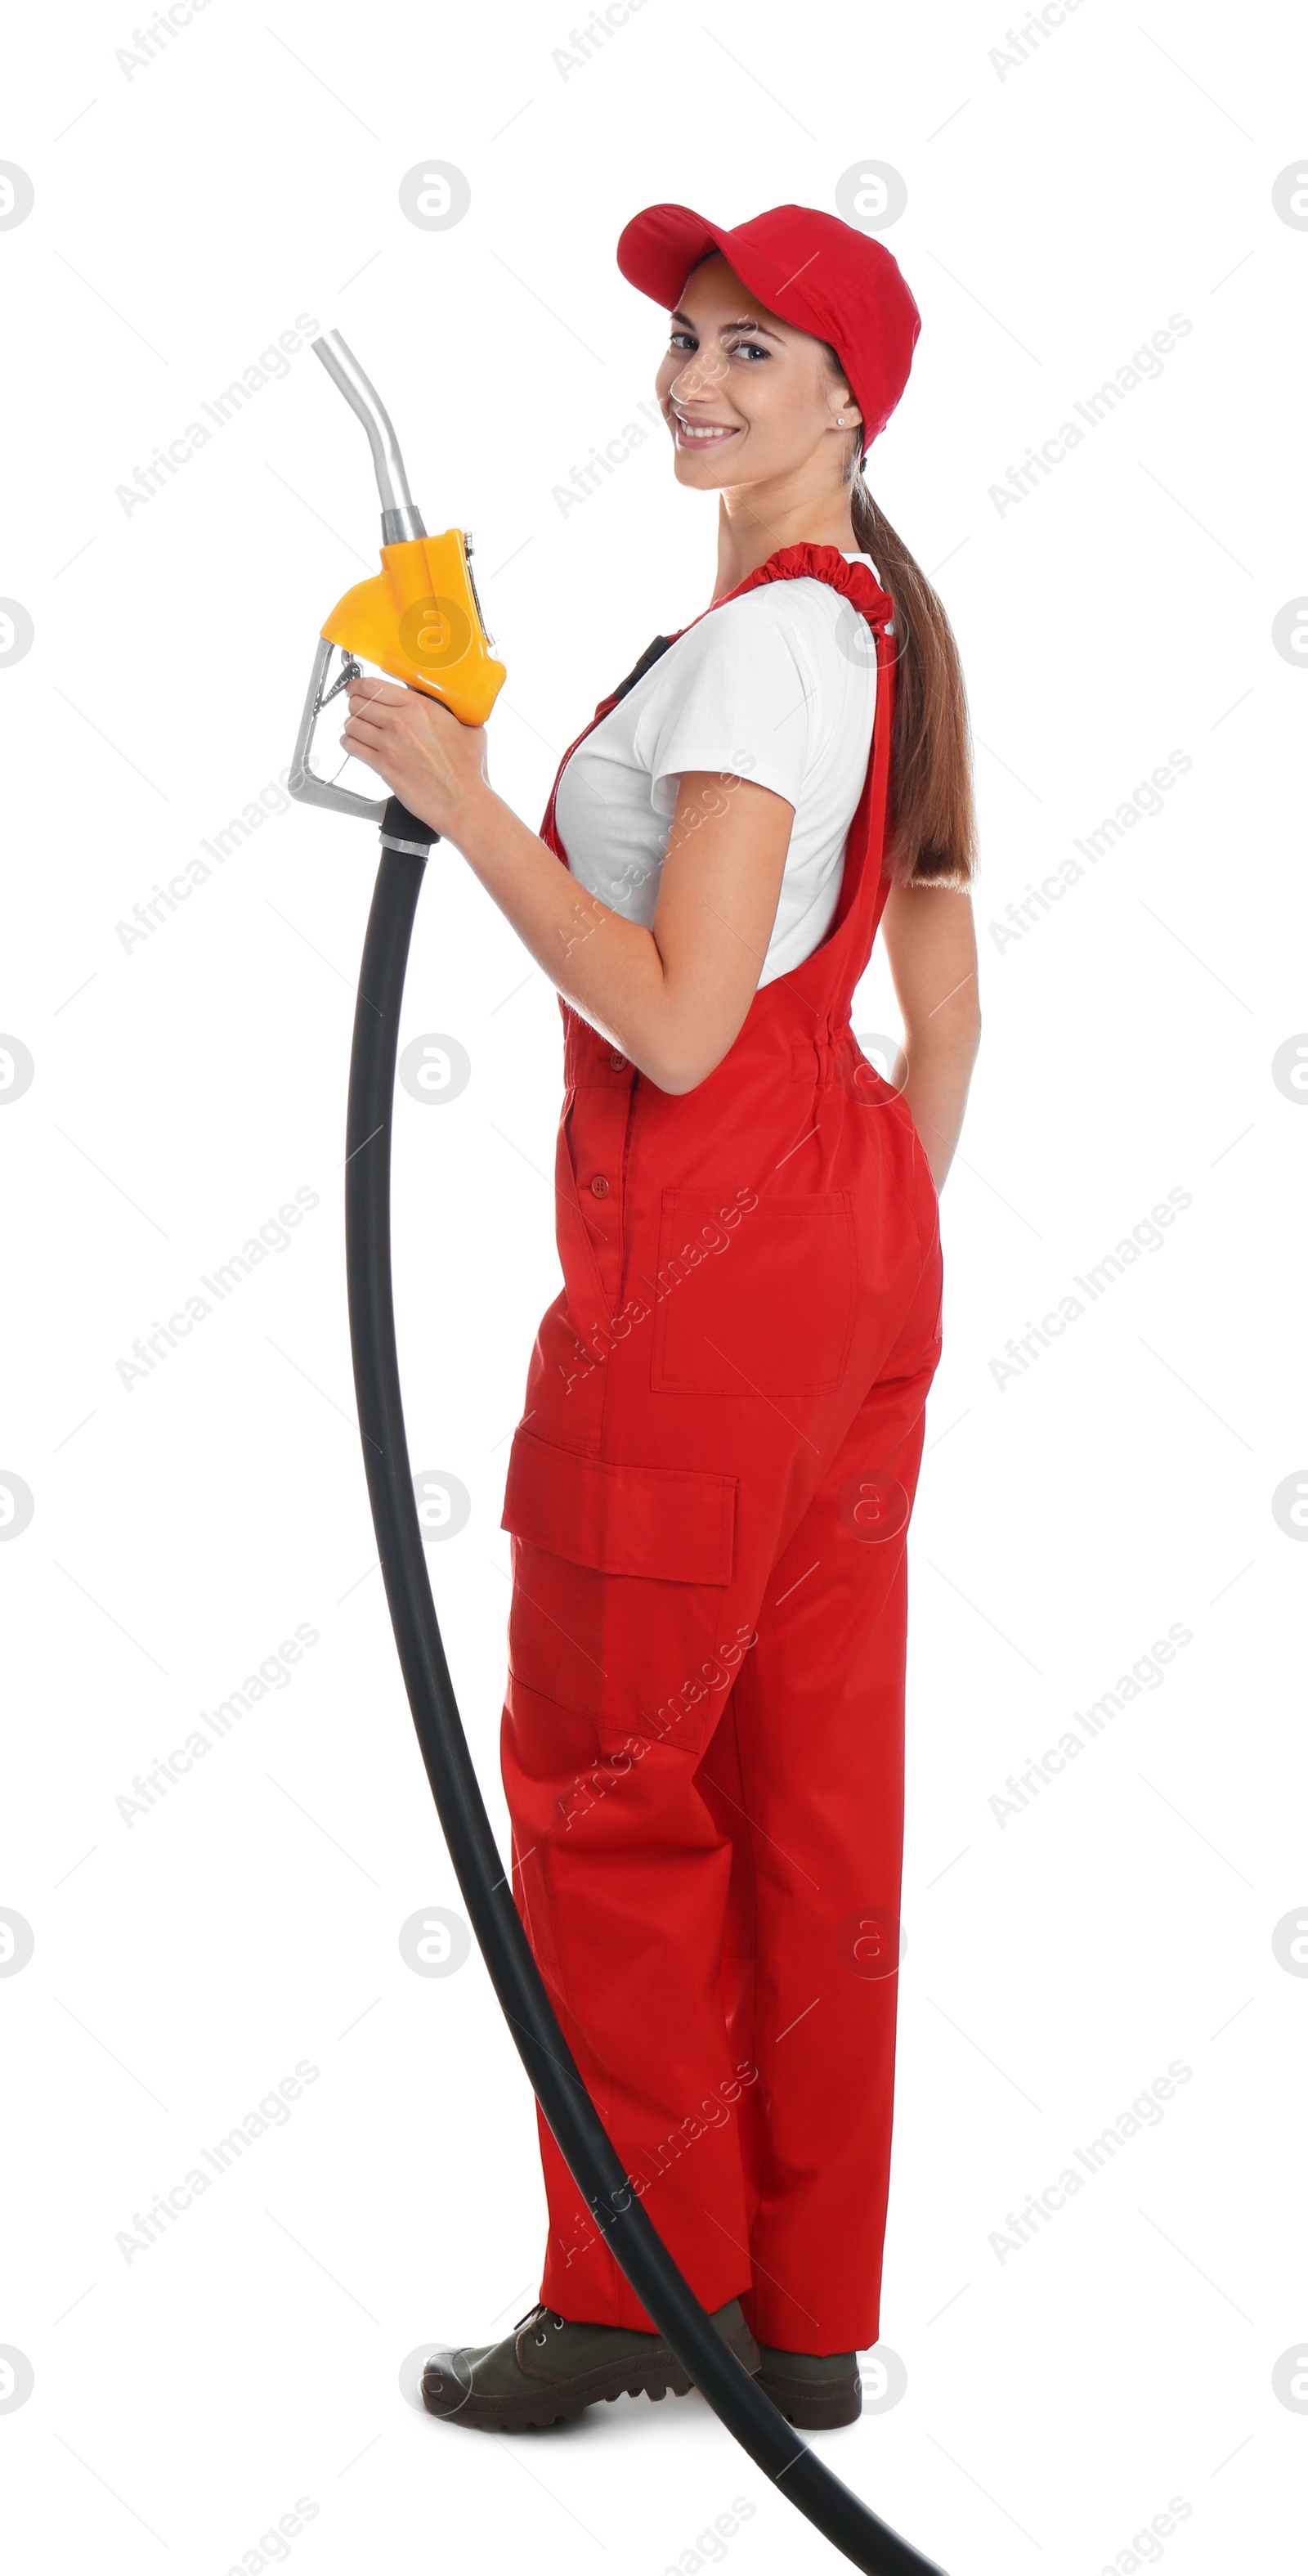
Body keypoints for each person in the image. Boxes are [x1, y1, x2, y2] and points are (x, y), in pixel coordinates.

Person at [341, 200, 981, 2436]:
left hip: (707, 1259)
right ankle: (797, 2311)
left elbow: (682, 1027)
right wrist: (870, 1233)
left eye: (760, 351)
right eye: (694, 339)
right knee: (807, 1787)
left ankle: (632, 2297)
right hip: (838, 1239)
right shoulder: (865, 630)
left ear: (852, 400)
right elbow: (902, 972)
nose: (701, 379)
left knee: (614, 1782)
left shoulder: (767, 653)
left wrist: (450, 794)